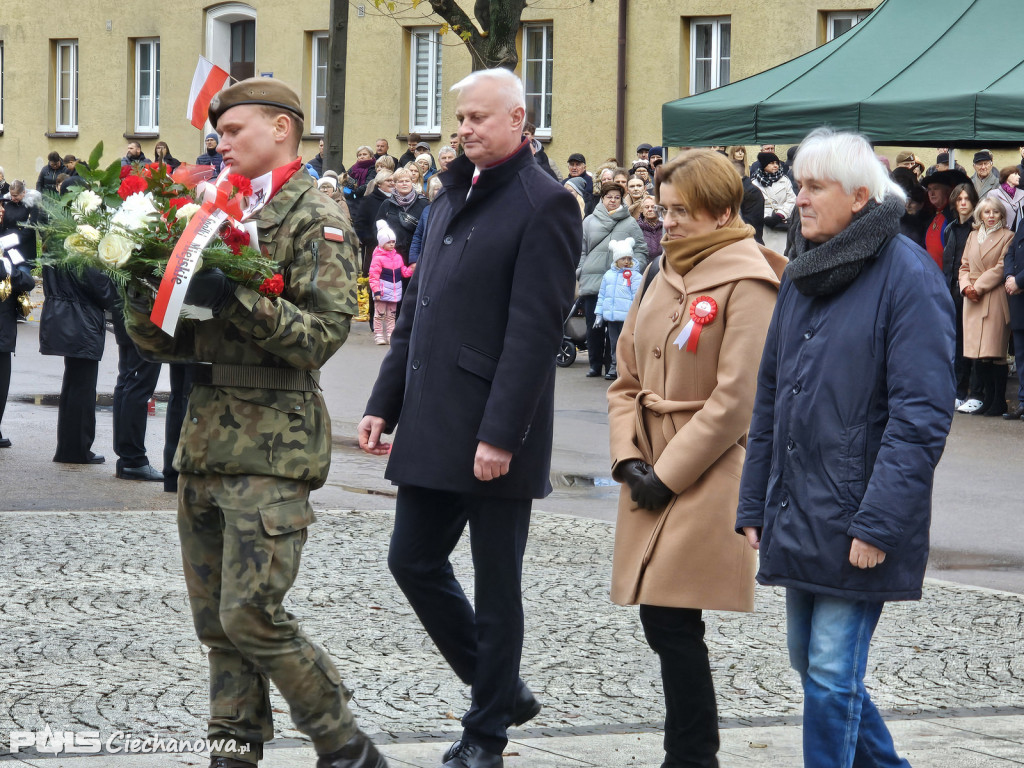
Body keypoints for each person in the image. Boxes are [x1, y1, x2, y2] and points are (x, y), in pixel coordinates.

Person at [122, 77, 385, 768]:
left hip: (274, 445)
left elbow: (323, 334)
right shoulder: (211, 209)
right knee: (216, 623)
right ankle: (232, 750)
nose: (221, 143)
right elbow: (175, 343)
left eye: (235, 131)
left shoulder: (317, 214)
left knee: (252, 613)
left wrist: (233, 296)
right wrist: (133, 295)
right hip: (205, 437)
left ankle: (344, 742)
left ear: (281, 128)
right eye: (218, 133)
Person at [358, 67, 579, 768]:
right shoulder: (451, 194)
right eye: (460, 119)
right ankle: (502, 689)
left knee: (496, 586)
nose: (464, 130)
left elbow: (535, 332)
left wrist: (499, 434)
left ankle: (486, 734)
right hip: (431, 416)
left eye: (479, 118)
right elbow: (418, 311)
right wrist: (381, 402)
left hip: (492, 430)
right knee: (412, 560)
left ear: (520, 119)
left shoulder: (547, 204)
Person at [736, 127, 955, 768]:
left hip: (860, 516)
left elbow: (921, 418)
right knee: (813, 665)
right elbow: (772, 395)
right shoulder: (806, 271)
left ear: (860, 196)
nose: (797, 198)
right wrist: (754, 501)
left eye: (813, 186)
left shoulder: (908, 275)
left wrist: (879, 523)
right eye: (798, 184)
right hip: (802, 509)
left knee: (831, 674)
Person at [608, 148, 784, 768]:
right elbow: (626, 377)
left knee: (672, 619)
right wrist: (627, 457)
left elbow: (739, 399)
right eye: (667, 208)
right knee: (664, 621)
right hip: (650, 463)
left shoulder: (752, 281)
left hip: (708, 469)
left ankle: (691, 755)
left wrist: (668, 473)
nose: (670, 221)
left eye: (684, 211)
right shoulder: (662, 273)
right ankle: (689, 753)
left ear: (724, 213)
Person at [39, 264, 119, 465]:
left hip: (67, 313)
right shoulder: (81, 243)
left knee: (74, 384)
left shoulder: (57, 240)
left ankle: (69, 447)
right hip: (82, 317)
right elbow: (101, 288)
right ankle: (76, 449)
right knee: (82, 387)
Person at [578, 181, 648, 378]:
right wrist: (580, 270)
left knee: (616, 326)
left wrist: (634, 269)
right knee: (594, 324)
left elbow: (641, 249)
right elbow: (581, 249)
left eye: (617, 197)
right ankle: (594, 363)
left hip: (620, 282)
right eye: (609, 197)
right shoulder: (589, 221)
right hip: (594, 279)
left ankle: (613, 365)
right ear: (602, 199)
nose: (613, 201)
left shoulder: (629, 222)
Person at [959, 197, 1013, 417]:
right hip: (971, 299)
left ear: (1002, 215)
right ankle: (987, 398)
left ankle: (998, 400)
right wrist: (965, 287)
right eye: (987, 212)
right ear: (980, 215)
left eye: (996, 213)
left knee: (994, 352)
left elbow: (1002, 267)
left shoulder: (1008, 236)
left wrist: (977, 287)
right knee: (978, 353)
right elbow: (964, 265)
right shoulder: (972, 236)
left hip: (992, 296)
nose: (991, 216)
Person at [111, 312, 164, 481]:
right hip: (146, 312)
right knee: (139, 383)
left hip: (128, 310)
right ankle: (133, 459)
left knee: (128, 380)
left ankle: (127, 457)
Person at [943, 183, 980, 409]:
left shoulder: (977, 230)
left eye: (967, 198)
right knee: (956, 343)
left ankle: (971, 392)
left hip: (972, 292)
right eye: (959, 199)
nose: (963, 203)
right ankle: (957, 390)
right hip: (952, 292)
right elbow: (948, 263)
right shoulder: (950, 229)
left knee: (972, 344)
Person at [0, 248, 34, 447]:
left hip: (4, 331)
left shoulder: (9, 250)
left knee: (3, 386)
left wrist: (10, 268)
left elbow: (28, 282)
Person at [593, 239, 639, 380]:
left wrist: (636, 314)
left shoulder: (636, 276)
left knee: (628, 344)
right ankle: (614, 366)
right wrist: (599, 314)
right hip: (612, 318)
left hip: (628, 318)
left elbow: (637, 297)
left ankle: (628, 368)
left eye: (629, 258)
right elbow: (602, 295)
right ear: (616, 259)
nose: (626, 261)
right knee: (614, 344)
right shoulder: (608, 276)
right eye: (623, 258)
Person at [368, 221, 411, 345]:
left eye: (393, 242)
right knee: (379, 314)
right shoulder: (377, 258)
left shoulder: (398, 257)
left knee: (391, 315)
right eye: (388, 242)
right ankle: (378, 335)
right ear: (382, 243)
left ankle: (391, 334)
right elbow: (373, 276)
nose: (392, 244)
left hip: (394, 292)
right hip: (381, 291)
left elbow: (403, 271)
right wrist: (376, 290)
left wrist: (412, 270)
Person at [922, 168, 971, 270]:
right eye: (929, 189)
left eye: (936, 188)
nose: (931, 193)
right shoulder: (933, 217)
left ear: (948, 191)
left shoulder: (955, 218)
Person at [1002, 215, 1024, 420]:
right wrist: (1009, 277)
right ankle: (1023, 401)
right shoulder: (1023, 221)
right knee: (1021, 356)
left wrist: (1018, 280)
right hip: (1018, 300)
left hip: (1020, 288)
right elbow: (1010, 253)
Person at [750, 151, 796, 231]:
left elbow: (792, 200)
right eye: (771, 163)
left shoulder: (785, 180)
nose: (775, 166)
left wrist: (780, 215)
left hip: (783, 222)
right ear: (764, 165)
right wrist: (766, 218)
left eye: (777, 163)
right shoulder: (754, 183)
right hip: (763, 224)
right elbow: (753, 205)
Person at [986, 166, 1024, 231]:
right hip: (1001, 233)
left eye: (1018, 174)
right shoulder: (993, 194)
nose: (1019, 177)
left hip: (1019, 235)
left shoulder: (1022, 194)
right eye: (1015, 174)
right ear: (1007, 176)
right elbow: (990, 215)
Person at [636, 196, 663, 262]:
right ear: (642, 210)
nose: (650, 209)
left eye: (653, 207)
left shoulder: (666, 226)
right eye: (647, 207)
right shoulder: (636, 227)